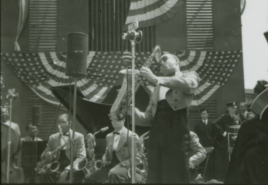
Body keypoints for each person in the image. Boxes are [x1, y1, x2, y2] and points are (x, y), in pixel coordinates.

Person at [125, 53, 199, 184]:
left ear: (176, 62)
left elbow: (190, 85)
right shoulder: (156, 88)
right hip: (156, 132)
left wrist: (156, 78)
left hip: (176, 130)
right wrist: (131, 110)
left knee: (176, 174)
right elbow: (148, 118)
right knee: (155, 175)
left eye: (165, 59)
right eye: (160, 62)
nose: (162, 62)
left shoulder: (189, 75)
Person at [84, 115, 141, 184]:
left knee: (113, 174)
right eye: (112, 120)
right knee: (88, 178)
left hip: (126, 168)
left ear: (124, 120)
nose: (114, 122)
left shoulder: (132, 135)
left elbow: (137, 158)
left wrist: (119, 166)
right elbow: (108, 153)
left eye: (117, 120)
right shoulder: (109, 136)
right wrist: (104, 158)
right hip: (110, 167)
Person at [38, 113, 86, 183]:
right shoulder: (53, 137)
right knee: (43, 172)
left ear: (69, 123)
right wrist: (49, 154)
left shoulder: (79, 136)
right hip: (58, 166)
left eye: (63, 122)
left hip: (73, 166)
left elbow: (81, 157)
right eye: (59, 122)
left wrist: (67, 170)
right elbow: (45, 155)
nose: (60, 125)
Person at [212, 101, 241, 181]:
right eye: (232, 108)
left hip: (235, 140)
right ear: (228, 108)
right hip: (227, 141)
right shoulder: (224, 117)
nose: (234, 110)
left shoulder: (237, 117)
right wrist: (222, 132)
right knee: (227, 160)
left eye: (235, 108)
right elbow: (214, 123)